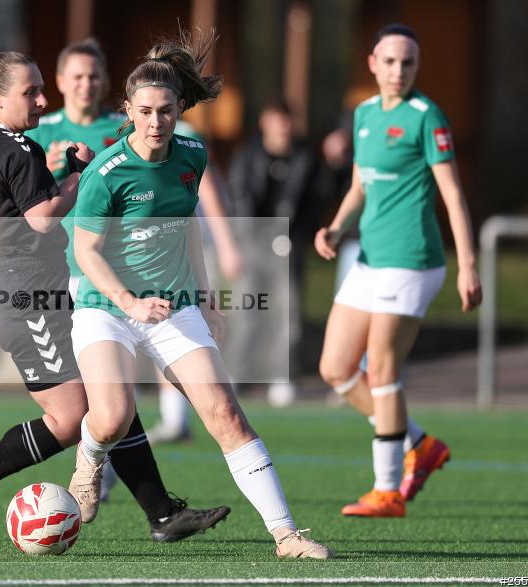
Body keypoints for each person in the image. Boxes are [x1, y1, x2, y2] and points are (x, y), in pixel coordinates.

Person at [0, 50, 230, 543]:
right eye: (31, 92)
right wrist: (77, 177)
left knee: (107, 395)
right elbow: (43, 218)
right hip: (29, 299)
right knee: (72, 417)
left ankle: (161, 512)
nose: (42, 99)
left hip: (25, 293)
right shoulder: (19, 148)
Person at [68, 29, 331, 559]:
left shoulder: (191, 154)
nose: (155, 122)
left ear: (179, 108)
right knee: (114, 416)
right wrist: (131, 304)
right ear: (128, 108)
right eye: (144, 111)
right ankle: (89, 459)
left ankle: (286, 535)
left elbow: (187, 224)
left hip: (171, 305)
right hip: (107, 307)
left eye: (166, 110)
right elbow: (87, 253)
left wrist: (206, 297)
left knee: (225, 413)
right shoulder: (106, 172)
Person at [27, 38, 242, 447]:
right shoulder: (45, 132)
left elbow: (183, 193)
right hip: (68, 269)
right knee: (105, 397)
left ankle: (170, 430)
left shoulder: (128, 128)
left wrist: (221, 250)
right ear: (60, 81)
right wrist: (53, 171)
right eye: (77, 76)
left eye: (93, 76)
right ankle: (104, 470)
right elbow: (24, 198)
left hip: (129, 267)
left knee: (158, 354)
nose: (85, 84)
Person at [315, 24, 482, 518]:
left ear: (416, 68)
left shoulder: (426, 117)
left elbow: (452, 194)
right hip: (369, 261)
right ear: (372, 63)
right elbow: (360, 185)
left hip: (412, 263)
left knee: (381, 369)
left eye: (407, 63)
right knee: (334, 369)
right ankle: (419, 444)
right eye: (389, 62)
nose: (398, 71)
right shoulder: (363, 115)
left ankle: (387, 490)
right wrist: (336, 227)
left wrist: (468, 264)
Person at [226, 99, 325, 407]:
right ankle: (236, 374)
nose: (282, 127)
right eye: (276, 120)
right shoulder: (248, 156)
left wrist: (298, 235)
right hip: (252, 244)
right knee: (246, 310)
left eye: (286, 121)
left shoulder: (306, 157)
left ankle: (282, 375)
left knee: (288, 313)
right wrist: (243, 239)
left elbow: (316, 200)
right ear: (265, 123)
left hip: (289, 244)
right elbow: (239, 197)